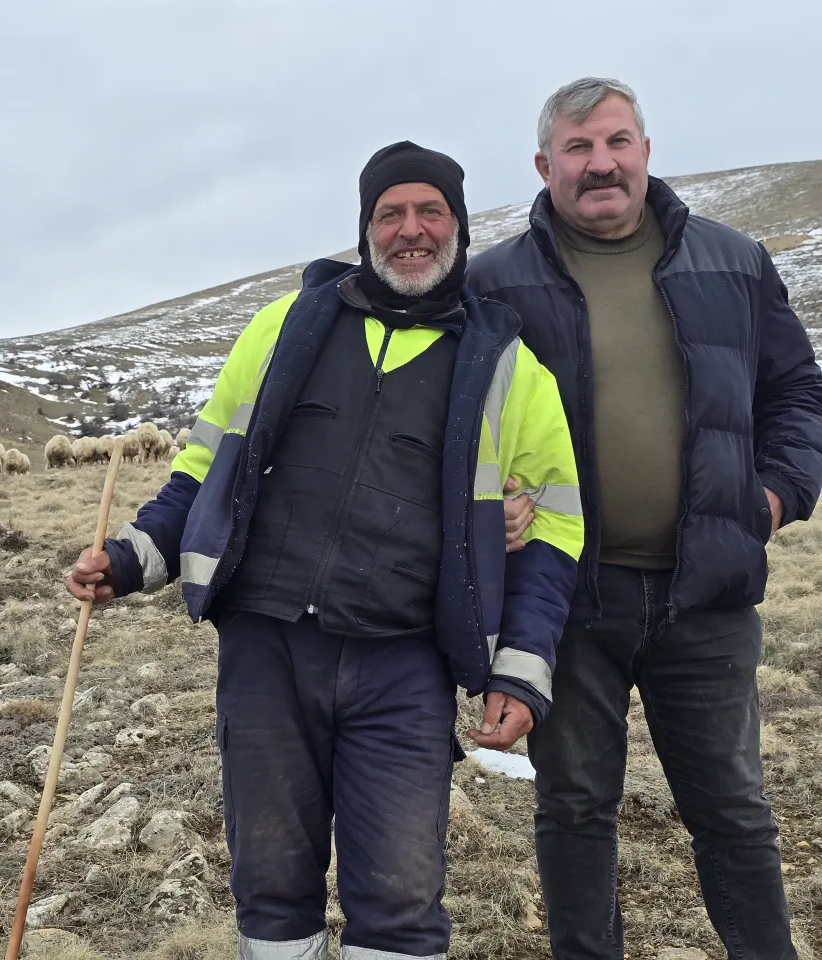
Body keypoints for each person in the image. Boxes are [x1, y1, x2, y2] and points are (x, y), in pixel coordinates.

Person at [65, 141, 584, 960]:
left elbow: (553, 530)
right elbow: (205, 469)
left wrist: (519, 671)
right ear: (365, 226)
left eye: (430, 211)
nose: (410, 230)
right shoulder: (284, 328)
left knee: (402, 894)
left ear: (457, 226)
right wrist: (130, 560)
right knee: (270, 881)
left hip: (405, 662)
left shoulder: (509, 369)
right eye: (390, 213)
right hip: (266, 649)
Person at [467, 77, 822, 960]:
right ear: (544, 166)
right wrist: (481, 504)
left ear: (646, 152)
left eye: (617, 142)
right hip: (563, 598)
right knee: (574, 807)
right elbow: (452, 420)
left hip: (706, 592)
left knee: (732, 809)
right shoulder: (493, 282)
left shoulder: (733, 262)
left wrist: (776, 495)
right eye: (579, 148)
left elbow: (797, 392)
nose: (602, 165)